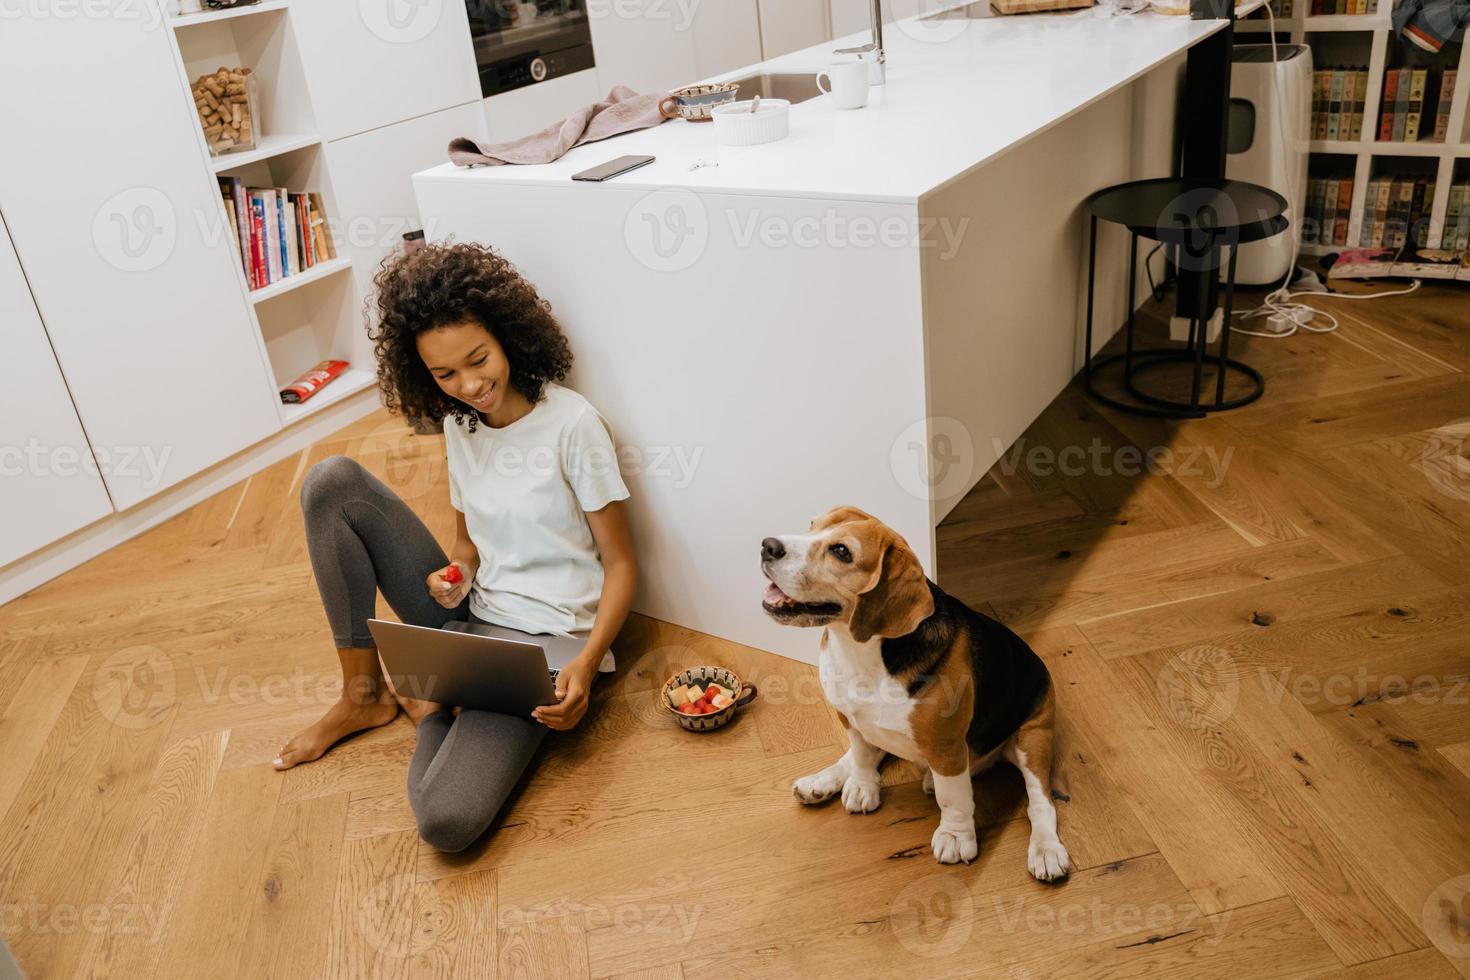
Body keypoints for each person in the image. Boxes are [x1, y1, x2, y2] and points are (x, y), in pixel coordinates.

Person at [272, 242, 638, 852]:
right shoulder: (457, 425)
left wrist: (586, 663)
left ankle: (427, 711)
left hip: (542, 648)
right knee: (331, 483)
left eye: (478, 360)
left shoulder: (573, 426)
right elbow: (467, 546)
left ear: (508, 337)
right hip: (470, 619)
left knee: (446, 823)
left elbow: (623, 565)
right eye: (445, 375)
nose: (469, 386)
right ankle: (363, 696)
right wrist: (455, 575)